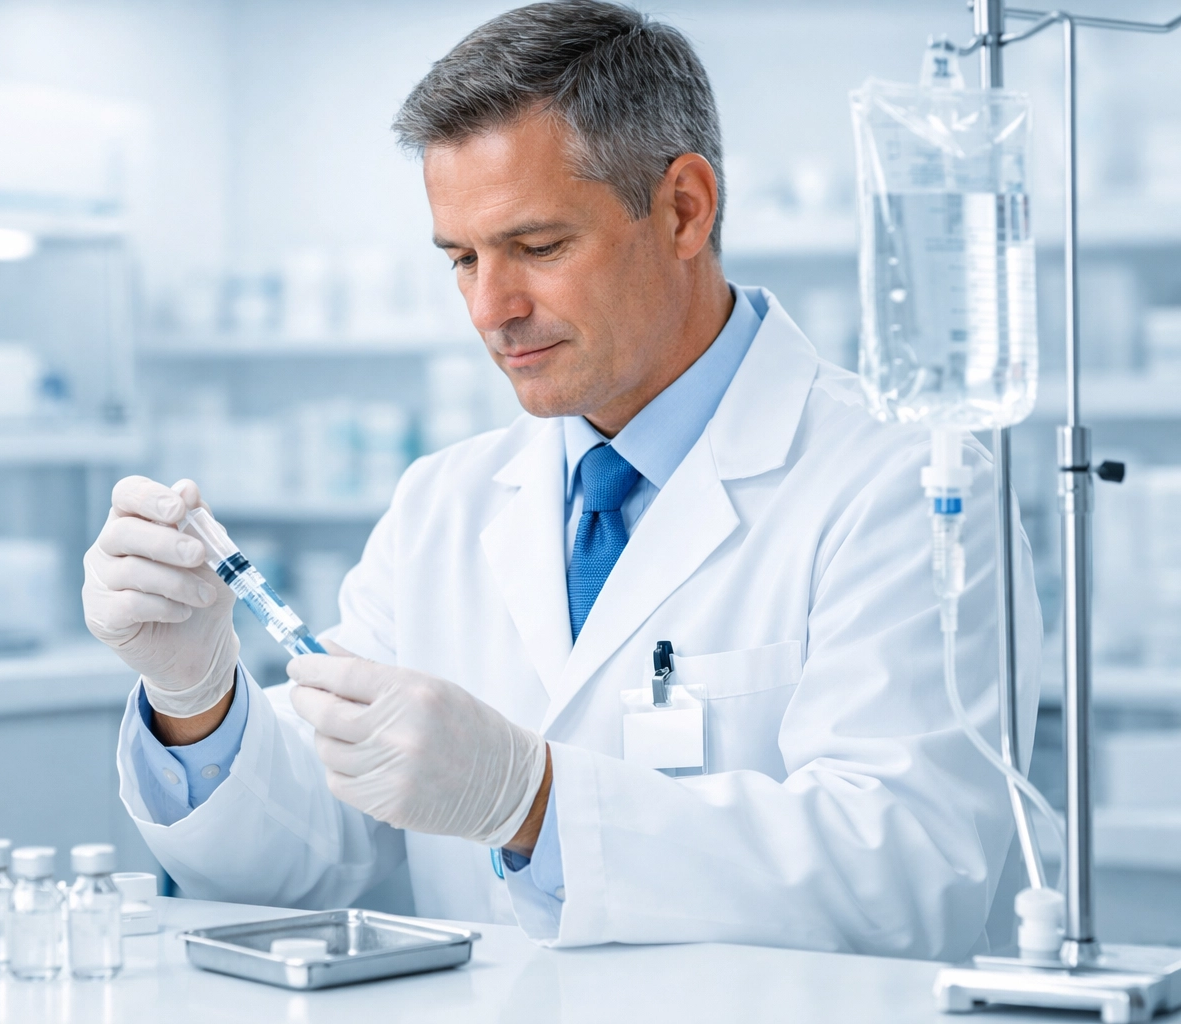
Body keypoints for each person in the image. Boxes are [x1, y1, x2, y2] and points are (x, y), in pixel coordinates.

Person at [82, 0, 1041, 956]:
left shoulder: (903, 484)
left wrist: (533, 801)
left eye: (538, 248)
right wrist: (198, 701)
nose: (491, 309)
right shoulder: (442, 504)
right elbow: (316, 849)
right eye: (461, 259)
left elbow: (903, 879)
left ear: (683, 210)